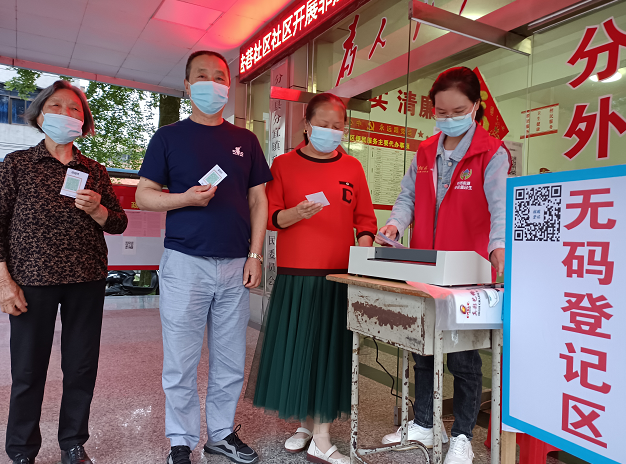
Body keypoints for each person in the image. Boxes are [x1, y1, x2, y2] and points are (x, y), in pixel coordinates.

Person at [135, 50, 272, 464]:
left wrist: (256, 255)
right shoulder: (168, 138)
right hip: (185, 263)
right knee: (181, 361)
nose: (212, 83)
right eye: (202, 76)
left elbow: (258, 200)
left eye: (220, 76)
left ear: (229, 86)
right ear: (187, 86)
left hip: (235, 264)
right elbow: (144, 195)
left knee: (230, 361)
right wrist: (185, 199)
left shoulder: (245, 140)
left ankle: (221, 435)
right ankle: (180, 440)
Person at [377, 67, 509, 464]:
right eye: (441, 111)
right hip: (426, 267)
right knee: (423, 349)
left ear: (475, 108)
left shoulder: (491, 152)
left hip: (467, 272)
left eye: (458, 110)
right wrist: (395, 224)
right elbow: (407, 199)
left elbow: (501, 207)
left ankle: (463, 435)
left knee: (464, 359)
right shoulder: (424, 151)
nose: (449, 117)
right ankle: (424, 421)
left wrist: (499, 247)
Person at [0, 80, 128, 464]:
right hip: (31, 282)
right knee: (27, 370)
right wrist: (4, 282)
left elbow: (118, 223)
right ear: (40, 115)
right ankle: (22, 449)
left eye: (75, 109)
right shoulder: (18, 164)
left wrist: (97, 210)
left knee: (81, 366)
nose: (67, 114)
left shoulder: (93, 169)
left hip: (86, 280)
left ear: (84, 121)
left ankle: (73, 441)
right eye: (57, 106)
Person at [251, 93, 378, 464]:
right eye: (323, 123)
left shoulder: (353, 167)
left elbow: (365, 221)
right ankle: (306, 426)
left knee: (326, 353)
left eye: (338, 125)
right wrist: (297, 213)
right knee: (299, 352)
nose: (331, 130)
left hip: (337, 276)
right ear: (307, 125)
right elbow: (272, 217)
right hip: (296, 274)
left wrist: (365, 252)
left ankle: (322, 438)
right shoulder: (284, 164)